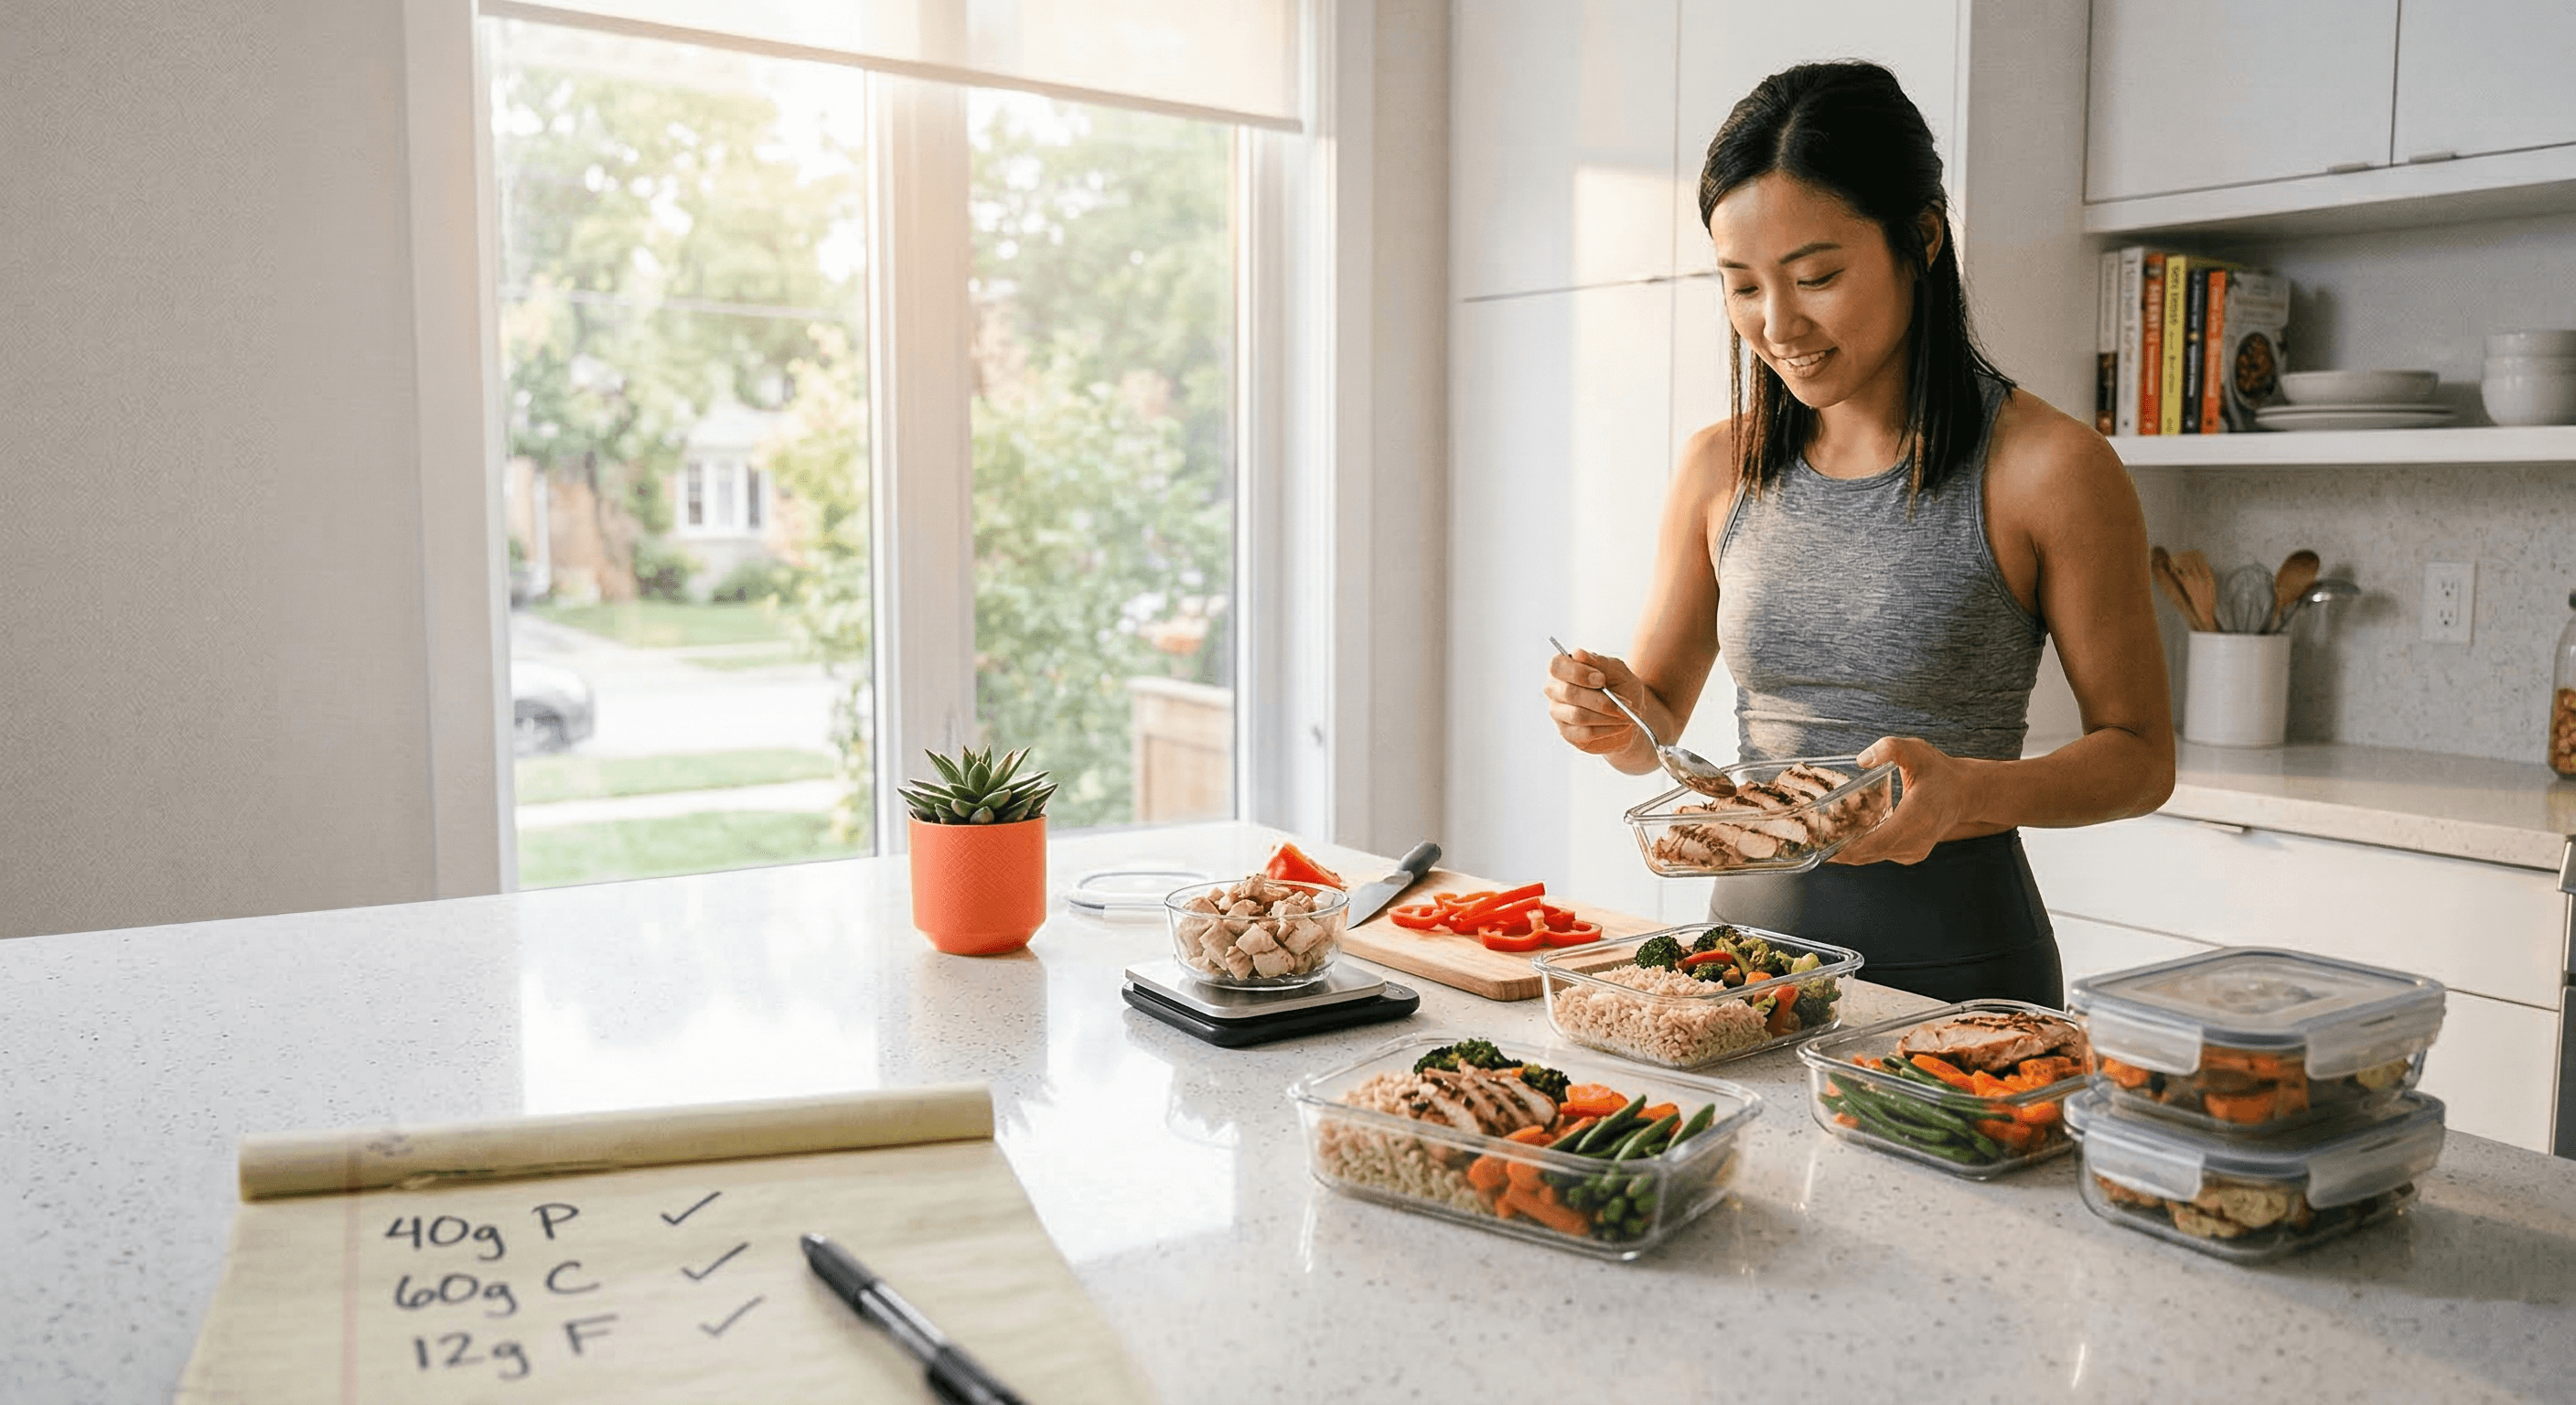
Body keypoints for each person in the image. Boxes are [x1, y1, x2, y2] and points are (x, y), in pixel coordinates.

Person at [1541, 61, 2174, 1007]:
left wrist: (1969, 791)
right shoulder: (1719, 466)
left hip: (1956, 983)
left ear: (1922, 237)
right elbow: (1654, 730)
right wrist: (1614, 715)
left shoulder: (2048, 469)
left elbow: (2140, 758)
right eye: (1741, 287)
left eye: (1817, 277)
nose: (1777, 324)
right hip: (1736, 973)